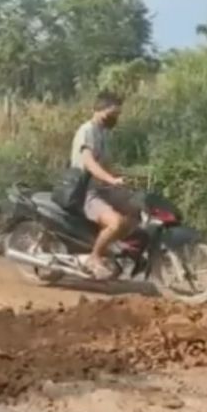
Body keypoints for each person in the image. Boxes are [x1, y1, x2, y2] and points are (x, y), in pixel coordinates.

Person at [69, 92, 136, 279]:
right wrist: (111, 180)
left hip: (102, 187)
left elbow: (107, 166)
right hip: (86, 190)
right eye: (112, 113)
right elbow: (90, 163)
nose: (115, 118)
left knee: (136, 208)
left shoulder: (104, 133)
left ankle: (113, 249)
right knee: (116, 222)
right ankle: (95, 256)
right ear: (97, 110)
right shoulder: (87, 131)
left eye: (118, 114)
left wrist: (124, 179)